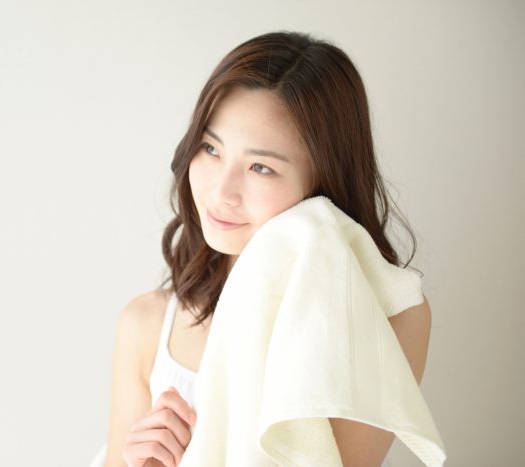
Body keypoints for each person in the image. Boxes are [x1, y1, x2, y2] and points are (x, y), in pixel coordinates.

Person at [102, 30, 432, 467]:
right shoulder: (146, 324)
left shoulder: (391, 321)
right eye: (210, 148)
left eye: (260, 167)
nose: (221, 192)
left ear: (322, 181)